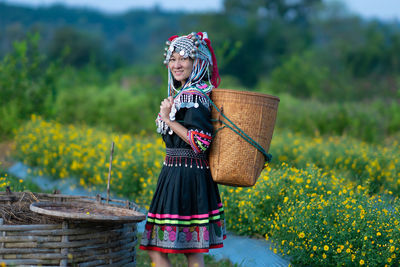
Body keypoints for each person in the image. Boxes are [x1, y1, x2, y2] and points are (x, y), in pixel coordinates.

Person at [139, 32, 226, 267]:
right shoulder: (180, 95)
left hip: (188, 177)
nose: (176, 65)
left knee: (178, 250)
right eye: (173, 58)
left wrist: (169, 120)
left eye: (183, 59)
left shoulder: (194, 97)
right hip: (173, 175)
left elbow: (201, 142)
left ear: (197, 62)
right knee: (168, 248)